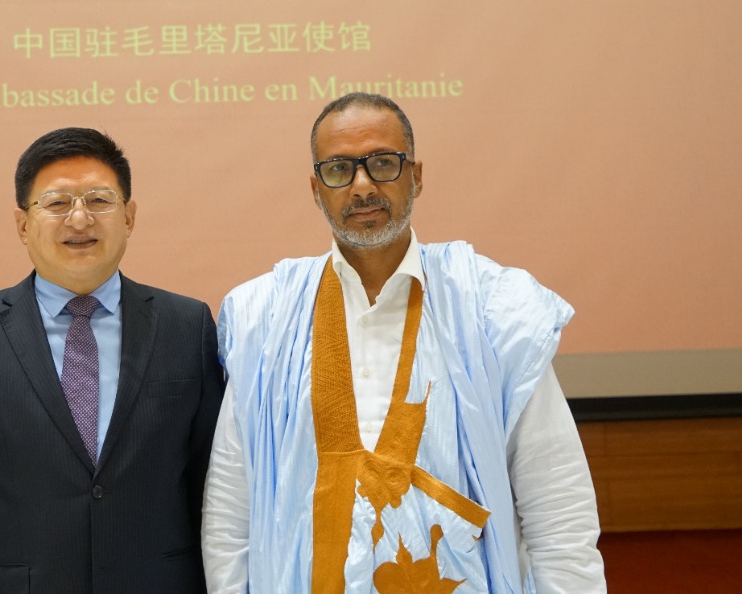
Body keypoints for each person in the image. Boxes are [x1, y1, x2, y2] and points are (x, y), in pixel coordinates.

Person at [202, 93, 606, 593]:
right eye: (339, 170)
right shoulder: (266, 317)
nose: (362, 186)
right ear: (315, 189)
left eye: (383, 163)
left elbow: (559, 511)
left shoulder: (493, 310)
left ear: (416, 176)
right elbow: (230, 516)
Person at [0, 126, 225, 594]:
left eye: (99, 200)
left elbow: (214, 489)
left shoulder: (187, 325)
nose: (80, 219)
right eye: (58, 203)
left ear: (129, 216)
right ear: (23, 224)